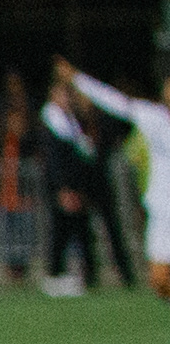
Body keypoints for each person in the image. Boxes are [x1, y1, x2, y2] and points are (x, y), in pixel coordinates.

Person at [58, 57, 170, 296]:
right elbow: (114, 102)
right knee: (159, 280)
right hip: (162, 210)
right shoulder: (154, 117)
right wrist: (77, 78)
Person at [35, 81, 110, 297]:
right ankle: (54, 275)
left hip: (77, 185)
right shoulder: (51, 122)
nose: (67, 100)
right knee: (60, 230)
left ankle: (87, 276)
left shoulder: (72, 121)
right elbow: (54, 160)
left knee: (80, 230)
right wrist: (63, 187)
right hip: (63, 187)